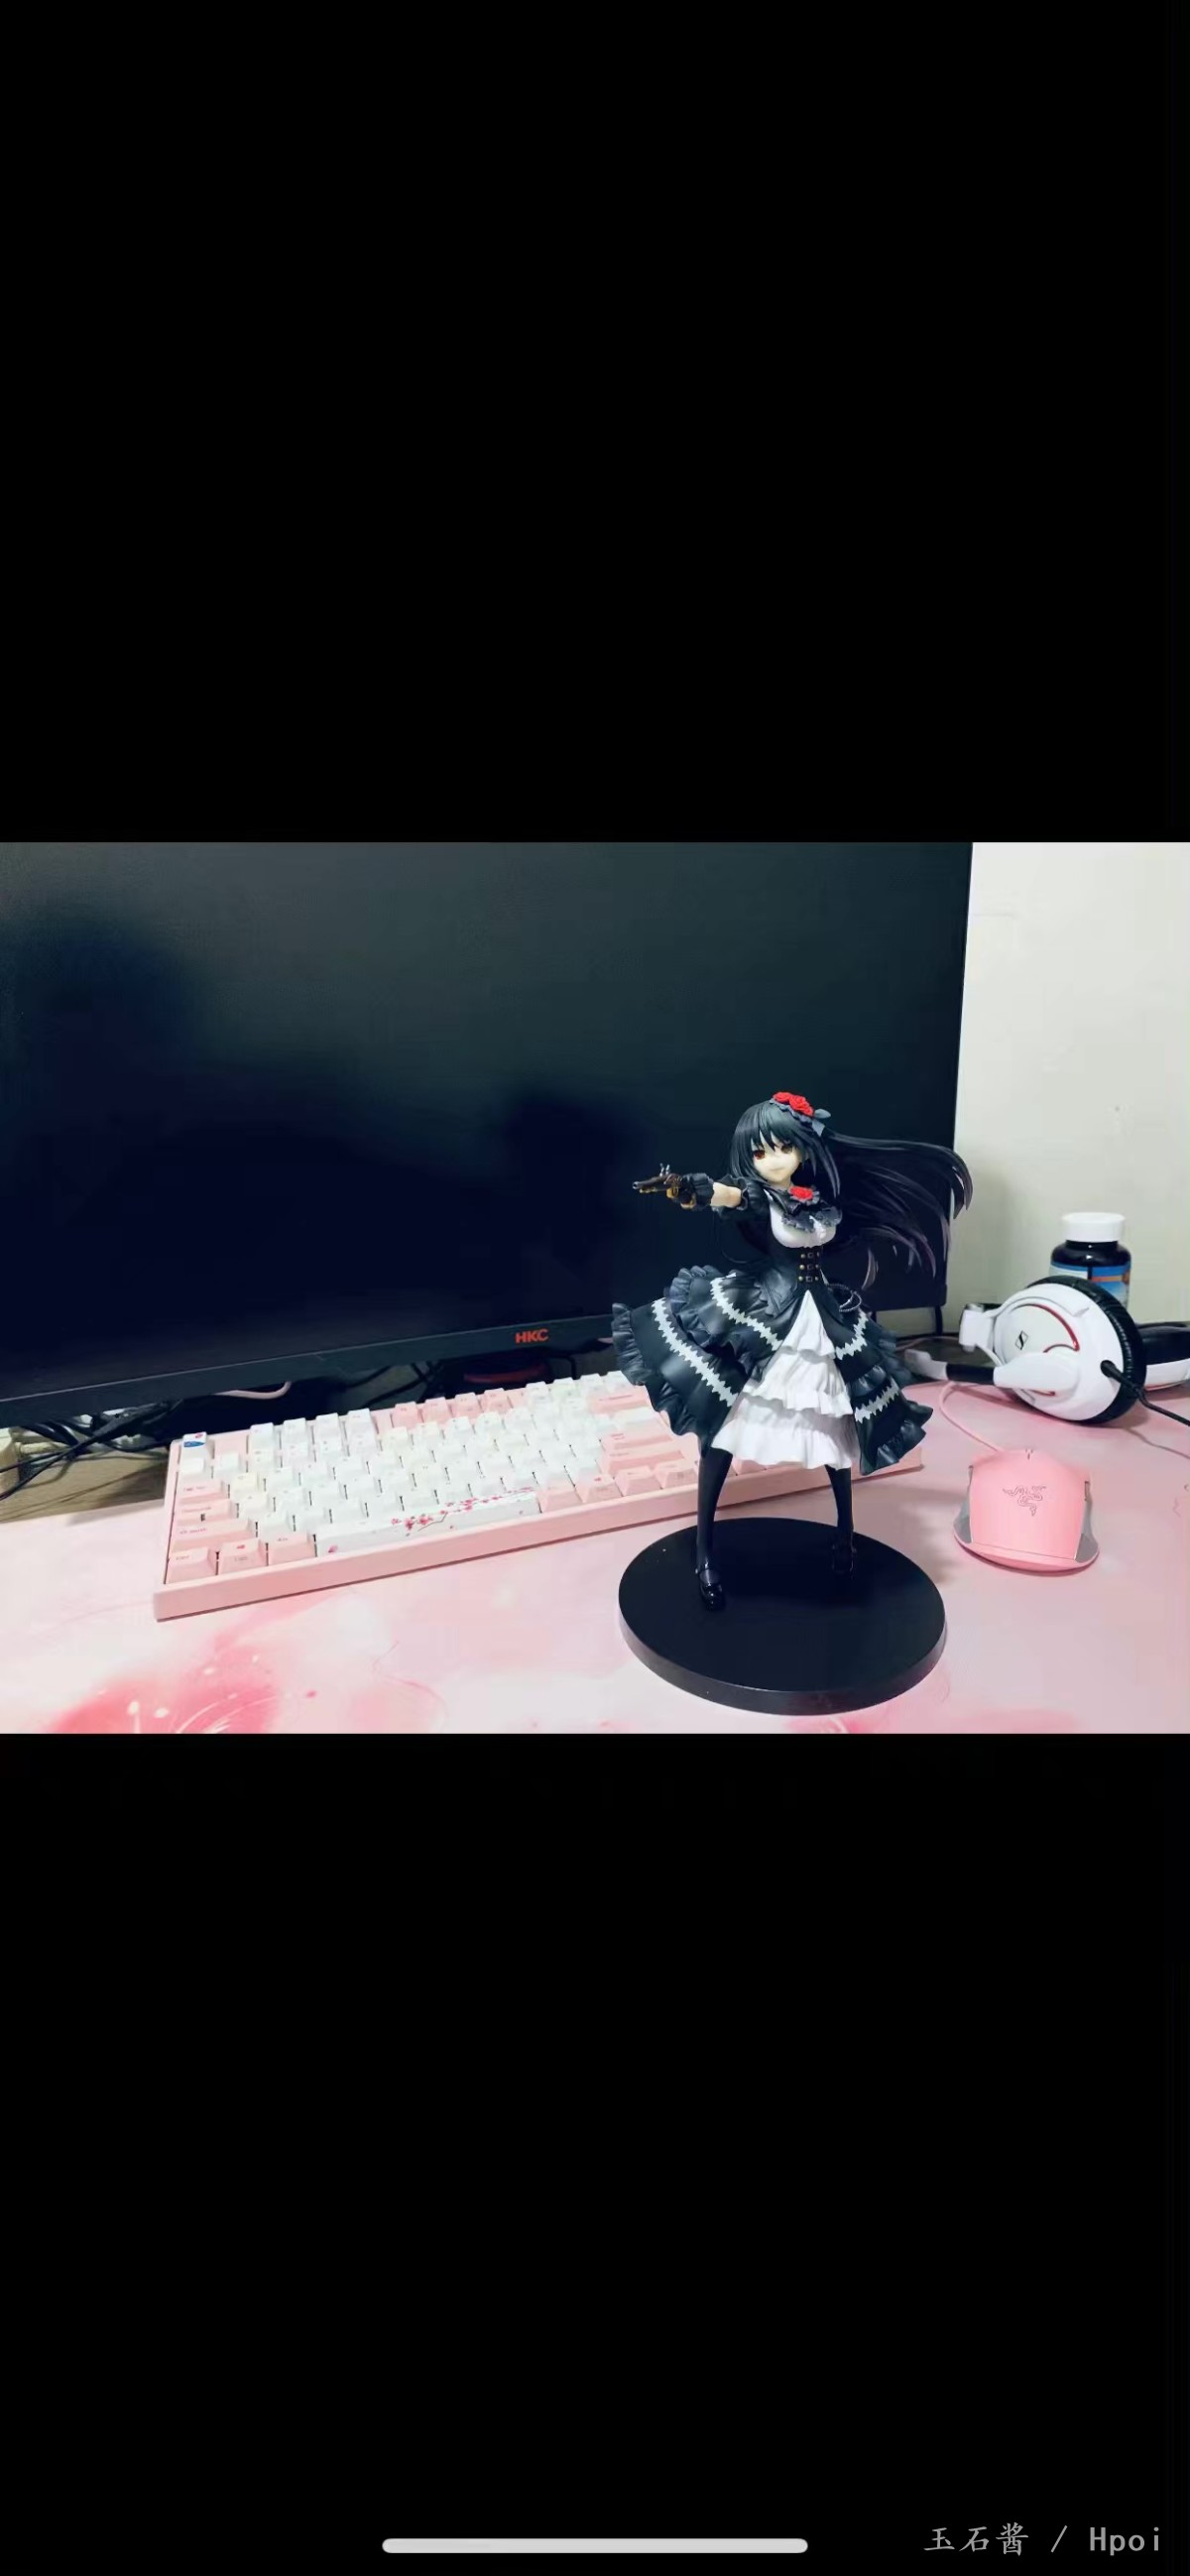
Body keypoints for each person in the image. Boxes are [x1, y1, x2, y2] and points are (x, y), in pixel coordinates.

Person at [612, 1089, 972, 1608]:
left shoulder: (820, 1198)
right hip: (767, 1312)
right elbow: (728, 1195)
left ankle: (845, 1534)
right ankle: (705, 1552)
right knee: (724, 1428)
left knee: (836, 1426)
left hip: (821, 1316)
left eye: (783, 1147)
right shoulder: (760, 1197)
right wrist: (690, 1187)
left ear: (803, 1147)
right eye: (760, 1152)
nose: (773, 1160)